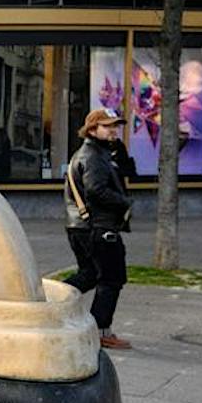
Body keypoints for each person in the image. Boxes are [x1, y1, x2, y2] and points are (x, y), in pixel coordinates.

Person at [65, 106, 132, 351]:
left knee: (89, 275)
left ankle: (50, 299)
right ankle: (101, 331)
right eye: (108, 126)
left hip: (82, 226)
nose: (114, 130)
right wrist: (124, 202)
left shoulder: (93, 153)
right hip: (98, 227)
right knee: (111, 279)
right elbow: (95, 190)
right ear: (93, 129)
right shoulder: (93, 156)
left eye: (115, 126)